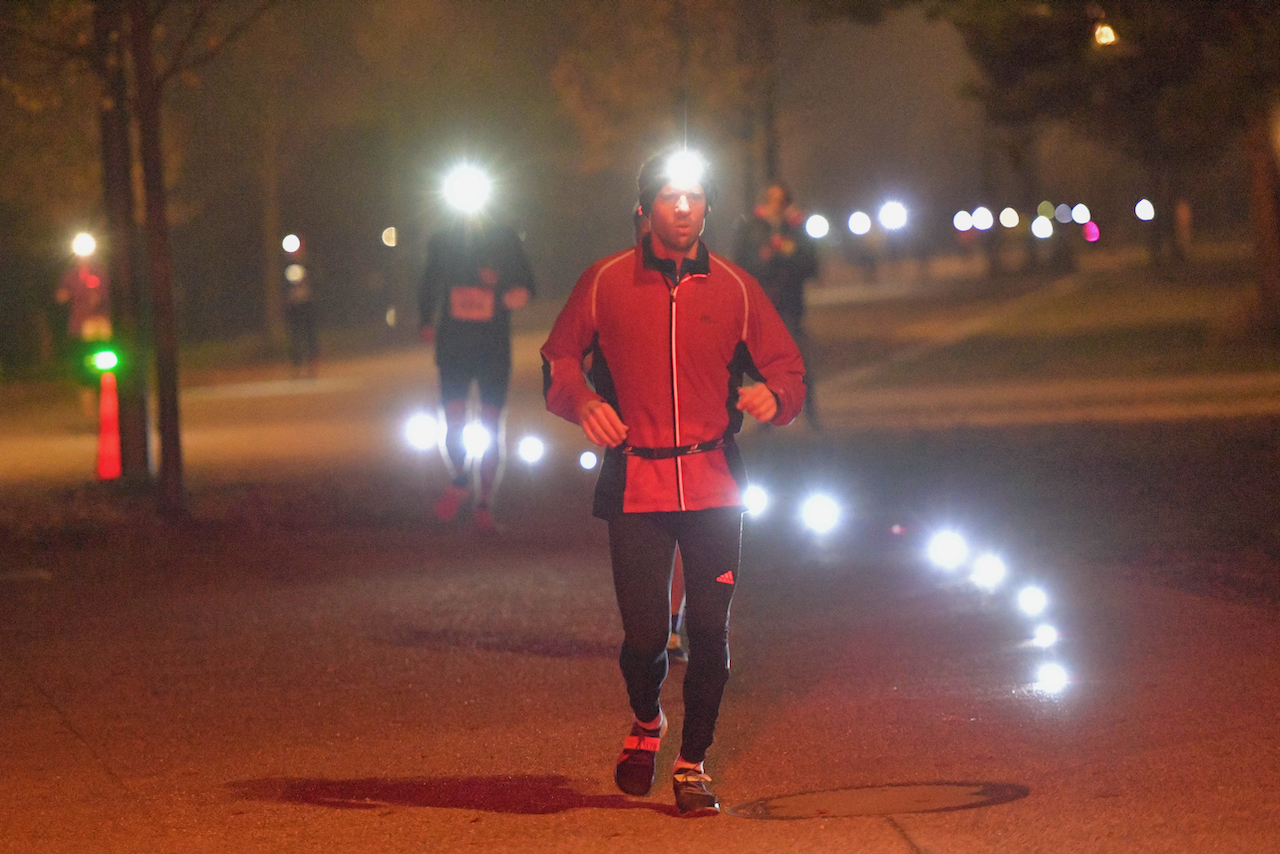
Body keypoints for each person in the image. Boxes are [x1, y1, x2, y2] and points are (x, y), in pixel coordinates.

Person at [541, 148, 806, 815]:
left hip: (715, 482)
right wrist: (584, 403)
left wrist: (777, 398)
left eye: (694, 196)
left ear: (709, 207)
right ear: (644, 207)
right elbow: (558, 360)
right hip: (637, 482)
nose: (683, 207)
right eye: (668, 195)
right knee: (643, 635)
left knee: (710, 634)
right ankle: (646, 721)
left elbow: (788, 369)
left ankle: (692, 762)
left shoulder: (737, 289)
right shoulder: (603, 282)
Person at [419, 166, 534, 531]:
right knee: (452, 420)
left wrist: (508, 294)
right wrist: (425, 320)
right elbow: (428, 282)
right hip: (454, 344)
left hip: (492, 345)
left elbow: (528, 284)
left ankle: (484, 503)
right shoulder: (442, 240)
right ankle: (459, 479)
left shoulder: (505, 239)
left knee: (489, 425)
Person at [733, 181, 820, 427]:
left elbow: (811, 264)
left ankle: (810, 411)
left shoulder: (796, 229)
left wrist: (786, 255)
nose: (776, 206)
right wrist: (765, 259)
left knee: (799, 360)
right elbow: (742, 264)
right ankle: (767, 415)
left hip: (791, 305)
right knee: (763, 363)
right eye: (771, 199)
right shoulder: (751, 228)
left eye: (781, 201)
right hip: (764, 307)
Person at [56, 248, 112, 423]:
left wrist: (99, 298)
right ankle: (89, 414)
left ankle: (109, 408)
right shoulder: (71, 276)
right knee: (84, 370)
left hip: (102, 325)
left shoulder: (102, 273)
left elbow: (111, 293)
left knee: (109, 367)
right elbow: (60, 296)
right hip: (81, 327)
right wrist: (66, 294)